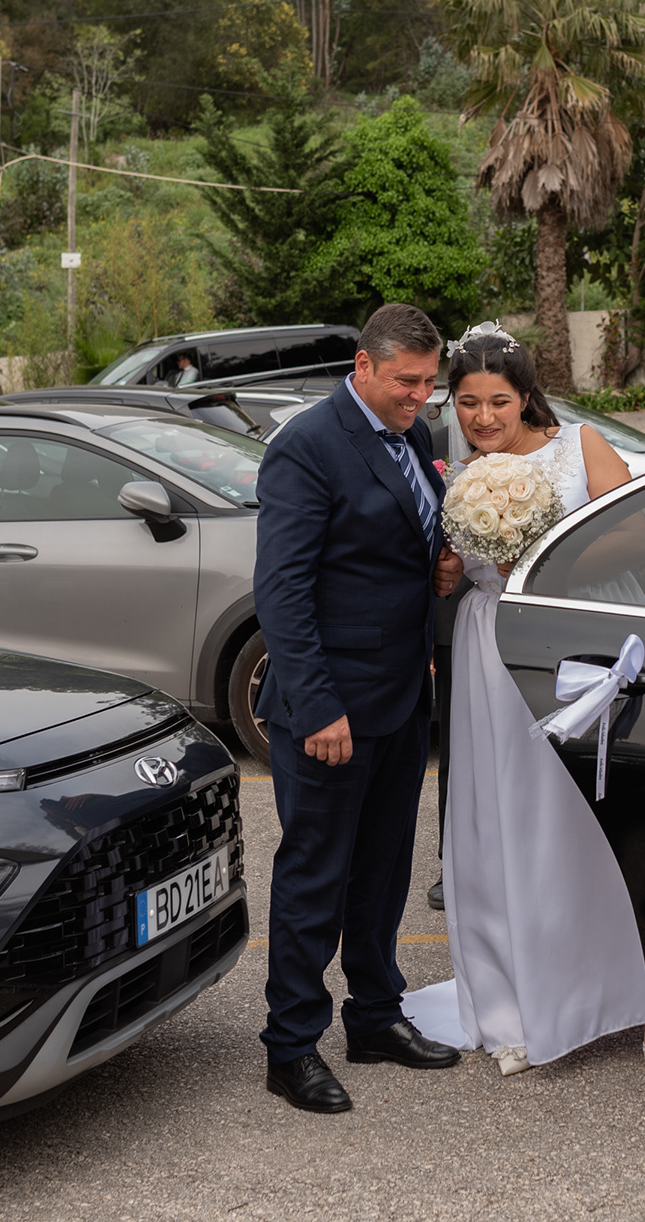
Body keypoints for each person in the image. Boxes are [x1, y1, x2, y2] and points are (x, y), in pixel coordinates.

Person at [402, 324, 645, 1077]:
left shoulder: (579, 447)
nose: (483, 417)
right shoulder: (459, 472)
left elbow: (635, 540)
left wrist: (537, 555)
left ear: (526, 395)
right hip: (491, 652)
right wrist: (450, 570)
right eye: (468, 403)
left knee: (611, 821)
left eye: (498, 401)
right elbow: (453, 561)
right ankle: (524, 1003)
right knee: (515, 824)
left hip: (580, 637)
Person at [252, 303, 464, 1116]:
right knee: (315, 877)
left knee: (382, 873)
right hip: (331, 710)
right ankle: (290, 1047)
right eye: (407, 381)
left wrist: (439, 567)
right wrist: (317, 707)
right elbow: (283, 591)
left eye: (429, 382)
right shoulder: (307, 446)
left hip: (403, 698)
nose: (421, 396)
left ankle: (374, 1017)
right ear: (363, 367)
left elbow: (394, 550)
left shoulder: (413, 434)